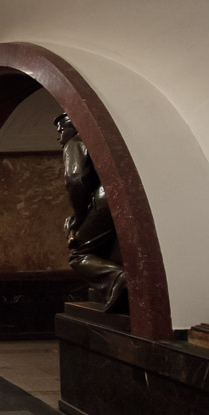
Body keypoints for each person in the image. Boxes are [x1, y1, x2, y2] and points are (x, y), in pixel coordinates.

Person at [56, 112, 128, 311]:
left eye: (62, 130)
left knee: (79, 254)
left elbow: (75, 179)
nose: (59, 137)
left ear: (75, 128)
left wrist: (79, 217)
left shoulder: (76, 143)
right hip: (119, 198)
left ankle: (117, 278)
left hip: (102, 200)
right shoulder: (106, 140)